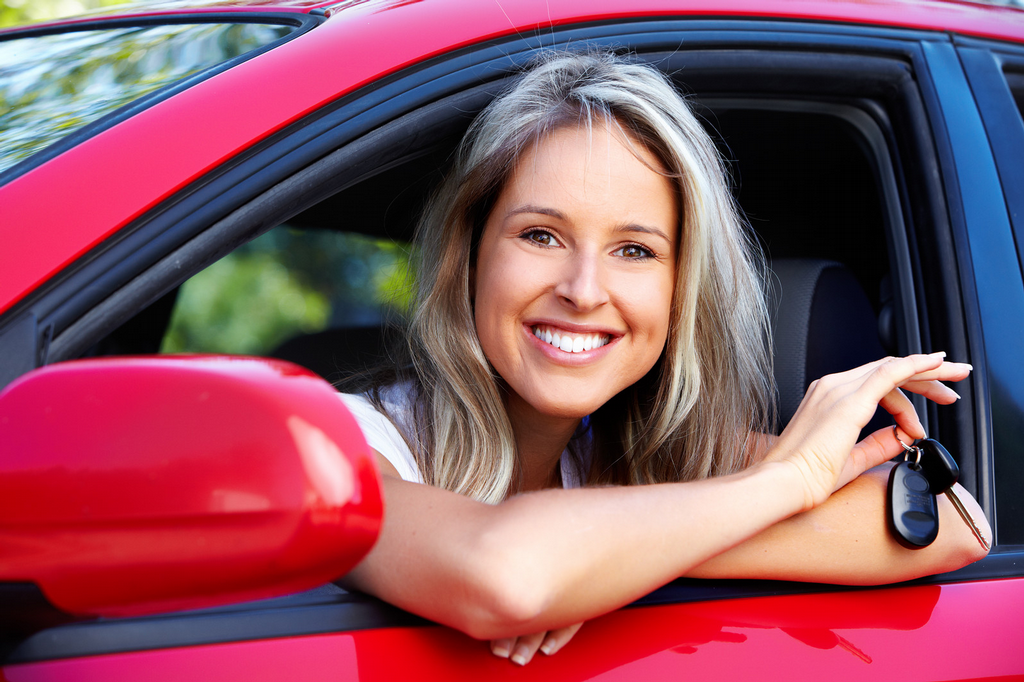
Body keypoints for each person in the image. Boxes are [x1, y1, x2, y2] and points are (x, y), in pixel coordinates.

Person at [337, 51, 989, 666]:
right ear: (470, 256)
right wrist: (785, 483)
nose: (584, 290)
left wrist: (613, 554)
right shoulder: (337, 447)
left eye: (635, 251)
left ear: (682, 292)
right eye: (541, 235)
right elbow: (506, 575)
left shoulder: (622, 456)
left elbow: (958, 524)